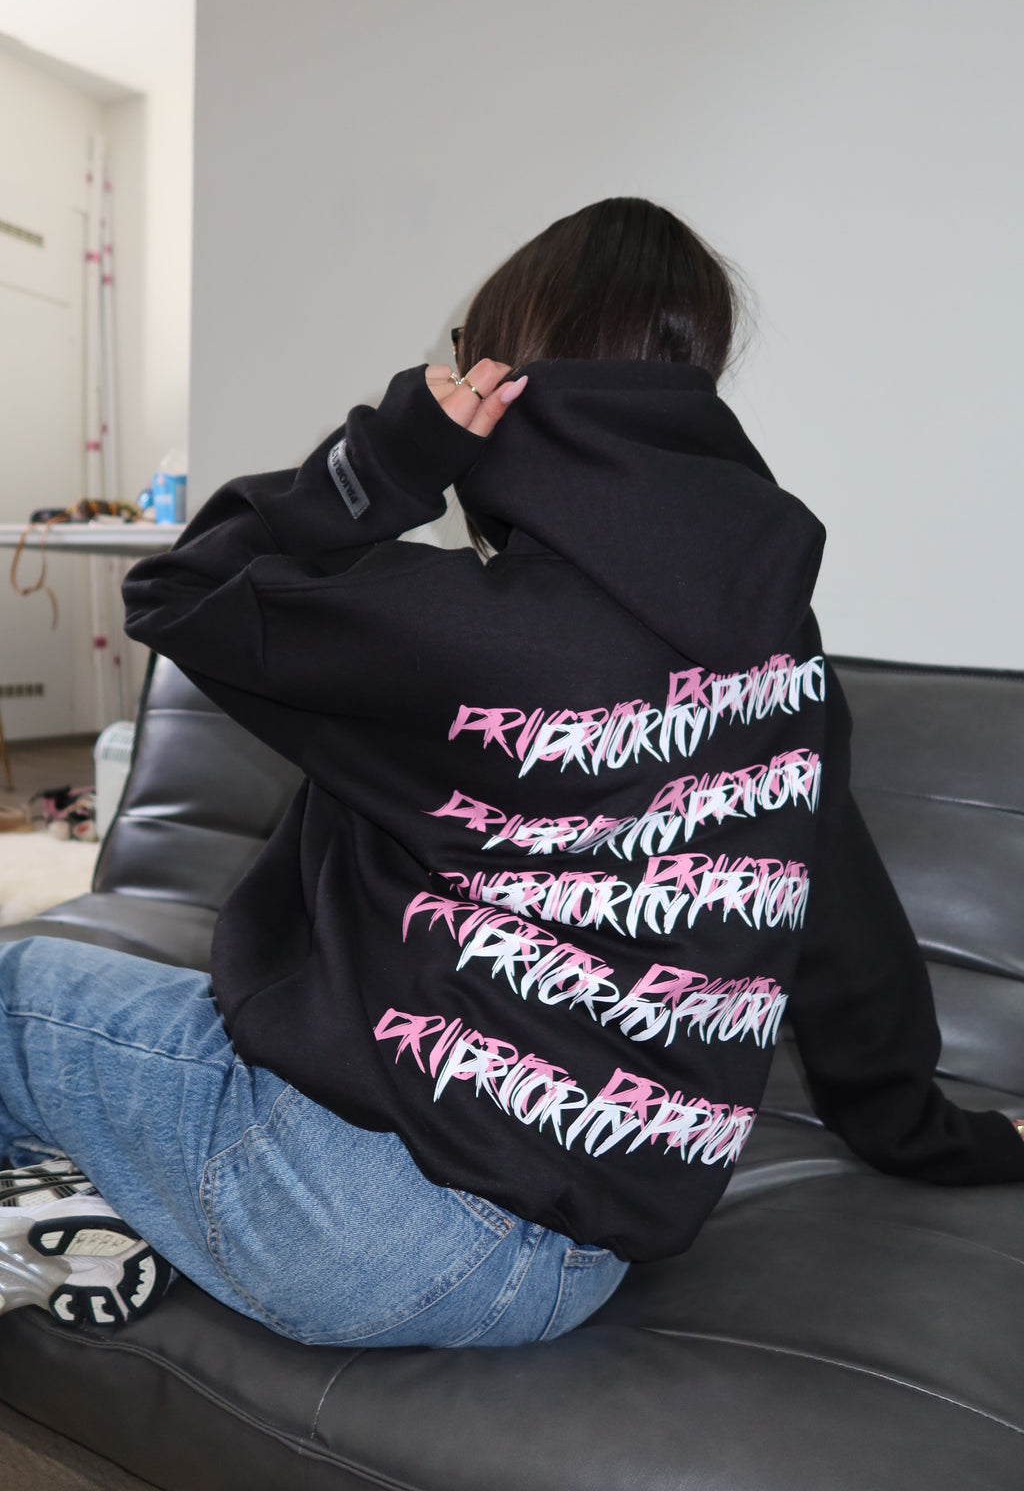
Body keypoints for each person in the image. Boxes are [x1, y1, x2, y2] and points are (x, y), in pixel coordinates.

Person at [1, 197, 1022, 1344]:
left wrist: (385, 460)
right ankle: (104, 1205)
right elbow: (846, 934)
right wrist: (931, 1134)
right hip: (573, 1271)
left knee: (12, 991)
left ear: (502, 373)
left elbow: (178, 590)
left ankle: (103, 1200)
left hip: (349, 1224)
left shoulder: (460, 629)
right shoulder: (784, 659)